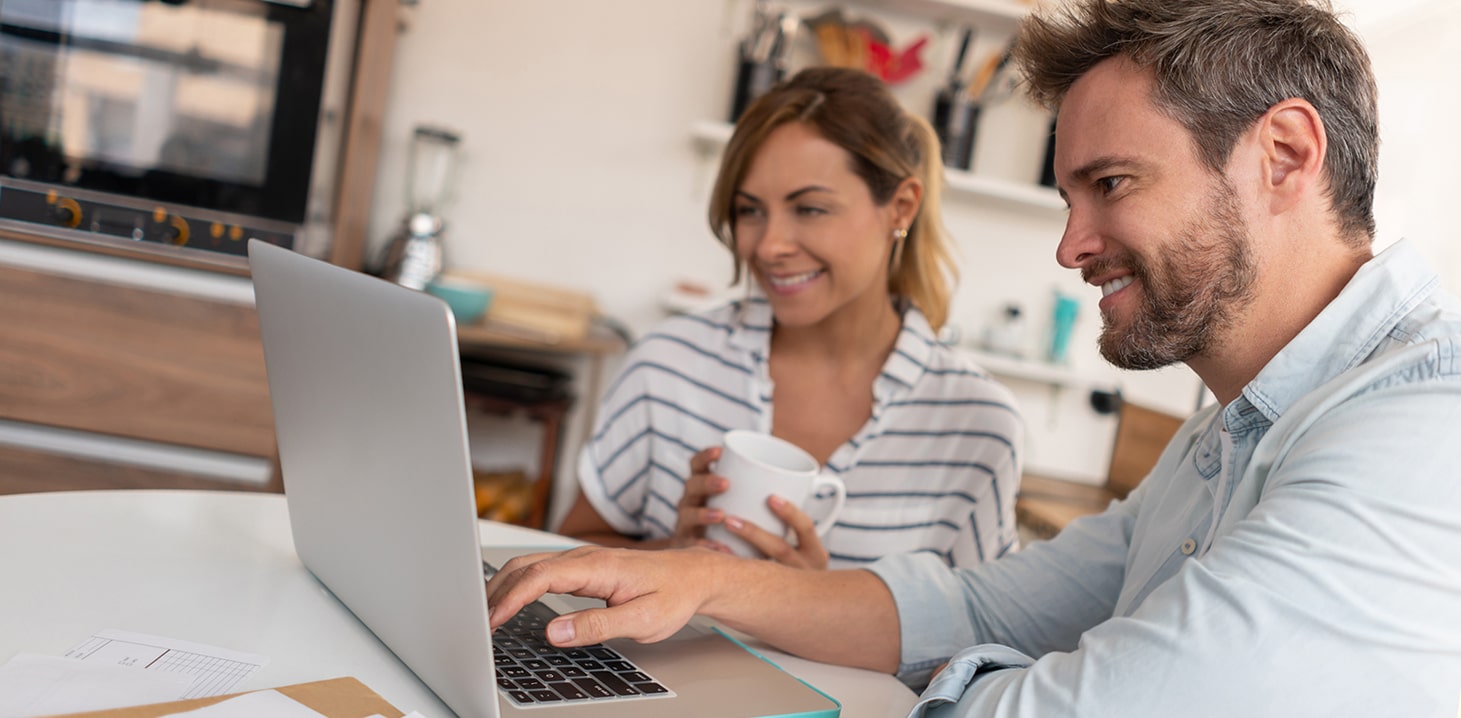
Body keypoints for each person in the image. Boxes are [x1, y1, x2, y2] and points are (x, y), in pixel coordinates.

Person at [487, 0, 1461, 714]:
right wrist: (702, 582)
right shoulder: (1228, 436)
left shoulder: (1421, 431)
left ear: (1285, 155)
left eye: (1111, 182)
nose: (1070, 246)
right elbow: (976, 600)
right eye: (1069, 197)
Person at [556, 67, 1024, 570]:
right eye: (750, 211)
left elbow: (982, 634)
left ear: (901, 208)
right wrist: (673, 556)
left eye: (810, 209)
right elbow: (570, 552)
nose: (770, 245)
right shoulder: (667, 365)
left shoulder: (979, 426)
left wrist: (808, 607)